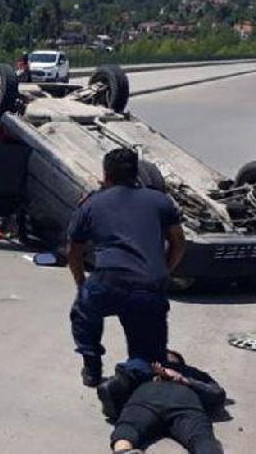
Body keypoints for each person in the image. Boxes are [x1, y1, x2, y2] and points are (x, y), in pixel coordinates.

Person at [68, 148, 187, 387]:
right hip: (150, 286)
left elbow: (74, 251)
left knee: (83, 309)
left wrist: (81, 282)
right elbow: (179, 244)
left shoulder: (91, 204)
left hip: (109, 282)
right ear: (137, 173)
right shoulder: (160, 201)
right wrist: (162, 271)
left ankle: (92, 368)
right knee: (148, 358)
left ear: (105, 174)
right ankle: (137, 371)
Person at [97, 351, 227, 454]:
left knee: (201, 436)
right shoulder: (144, 369)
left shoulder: (192, 372)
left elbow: (218, 394)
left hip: (184, 405)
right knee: (128, 426)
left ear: (180, 361)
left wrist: (184, 380)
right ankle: (124, 451)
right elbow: (119, 381)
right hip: (146, 400)